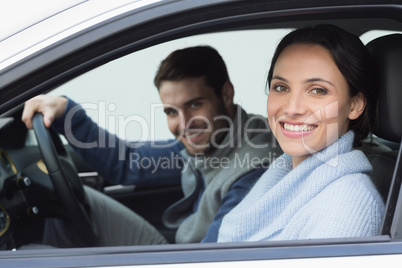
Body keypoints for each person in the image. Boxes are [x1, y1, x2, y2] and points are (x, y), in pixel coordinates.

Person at [22, 46, 281, 247]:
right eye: (171, 111)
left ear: (226, 94)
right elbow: (130, 163)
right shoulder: (213, 140)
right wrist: (68, 115)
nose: (184, 124)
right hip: (188, 251)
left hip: (195, 259)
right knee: (67, 198)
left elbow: (214, 256)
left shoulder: (253, 169)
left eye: (194, 105)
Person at [217, 24, 385, 242]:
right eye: (281, 87)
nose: (292, 108)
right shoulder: (281, 177)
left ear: (355, 105)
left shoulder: (348, 205)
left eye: (318, 90)